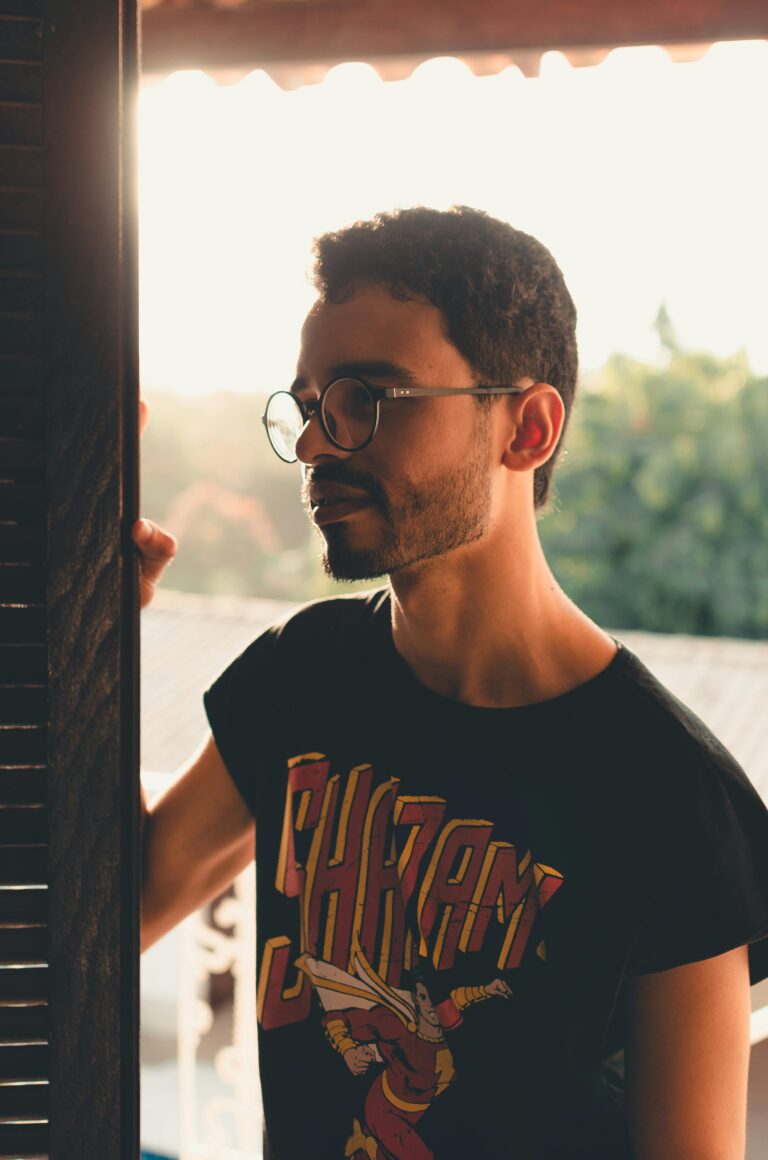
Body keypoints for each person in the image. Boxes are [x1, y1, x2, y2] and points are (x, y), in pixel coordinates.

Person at [135, 206, 768, 1160]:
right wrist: (79, 636)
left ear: (528, 428)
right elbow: (112, 915)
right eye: (308, 405)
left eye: (367, 399)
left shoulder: (672, 797)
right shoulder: (300, 676)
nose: (316, 445)